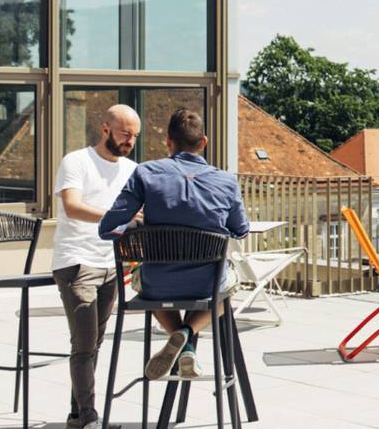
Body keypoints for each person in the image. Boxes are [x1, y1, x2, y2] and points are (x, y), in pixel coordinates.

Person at [99, 109, 249, 382]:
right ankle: (188, 337)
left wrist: (136, 225)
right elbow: (241, 230)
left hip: (157, 285)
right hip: (207, 284)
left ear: (168, 142)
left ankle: (181, 339)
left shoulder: (145, 173)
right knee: (228, 289)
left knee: (144, 283)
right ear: (203, 142)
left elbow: (107, 228)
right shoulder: (227, 181)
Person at [52, 104, 141, 429]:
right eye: (124, 133)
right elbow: (72, 207)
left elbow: (139, 213)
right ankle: (88, 416)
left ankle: (77, 415)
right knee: (85, 343)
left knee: (94, 343)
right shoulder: (76, 161)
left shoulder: (132, 169)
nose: (129, 140)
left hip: (111, 263)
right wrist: (119, 217)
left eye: (134, 136)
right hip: (76, 262)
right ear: (105, 129)